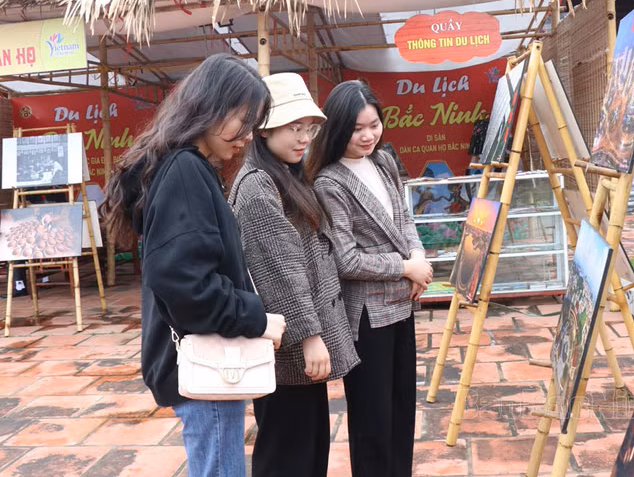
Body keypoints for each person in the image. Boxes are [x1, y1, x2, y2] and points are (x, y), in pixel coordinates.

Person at [101, 53, 286, 477]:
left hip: (204, 359)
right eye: (244, 120)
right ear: (211, 107)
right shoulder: (186, 170)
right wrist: (256, 318)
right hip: (208, 364)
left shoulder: (183, 166)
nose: (248, 137)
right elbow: (186, 284)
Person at [229, 73, 359, 477]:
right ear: (264, 128)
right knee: (289, 454)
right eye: (293, 127)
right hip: (288, 348)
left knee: (308, 449)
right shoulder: (258, 185)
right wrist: (310, 337)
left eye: (309, 128)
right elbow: (279, 271)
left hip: (294, 345)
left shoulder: (283, 174)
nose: (304, 138)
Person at [307, 80, 432, 477]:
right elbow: (346, 260)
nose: (367, 135)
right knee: (372, 419)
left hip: (402, 305)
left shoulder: (384, 161)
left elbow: (404, 218)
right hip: (366, 316)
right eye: (356, 128)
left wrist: (418, 255)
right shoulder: (329, 182)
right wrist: (405, 267)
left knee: (402, 408)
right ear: (337, 128)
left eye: (373, 125)